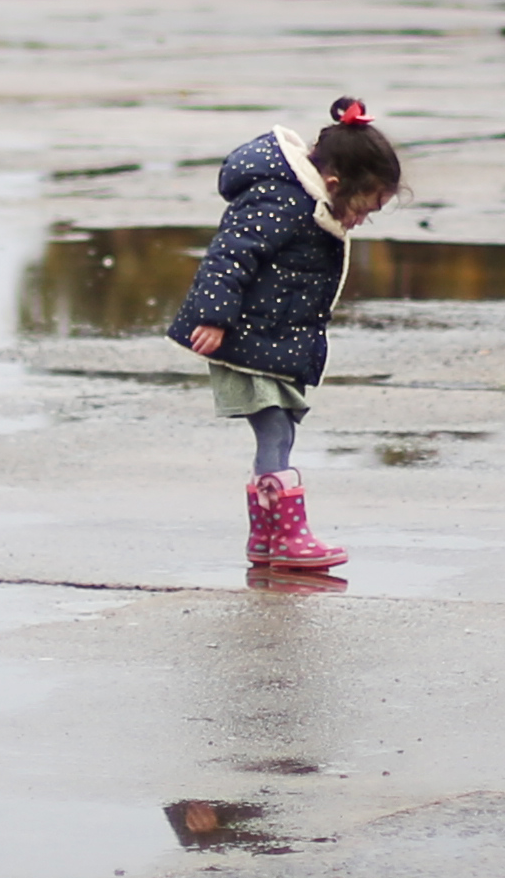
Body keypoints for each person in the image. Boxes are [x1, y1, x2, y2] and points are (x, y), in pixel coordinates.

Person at [164, 100, 400, 576]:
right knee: (274, 431)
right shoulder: (280, 201)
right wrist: (213, 318)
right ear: (336, 184)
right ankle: (288, 536)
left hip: (273, 338)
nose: (359, 220)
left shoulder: (306, 202)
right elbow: (229, 255)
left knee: (282, 429)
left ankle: (268, 536)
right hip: (249, 338)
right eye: (362, 208)